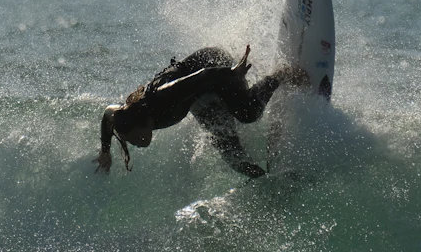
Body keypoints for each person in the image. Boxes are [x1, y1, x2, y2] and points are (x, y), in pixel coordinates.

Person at [95, 45, 306, 178]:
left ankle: (281, 74)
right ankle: (268, 183)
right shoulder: (127, 114)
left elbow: (204, 76)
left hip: (211, 65)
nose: (136, 145)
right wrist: (105, 150)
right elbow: (108, 114)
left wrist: (232, 73)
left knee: (247, 113)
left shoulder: (163, 96)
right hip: (199, 96)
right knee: (236, 159)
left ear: (143, 123)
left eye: (134, 139)